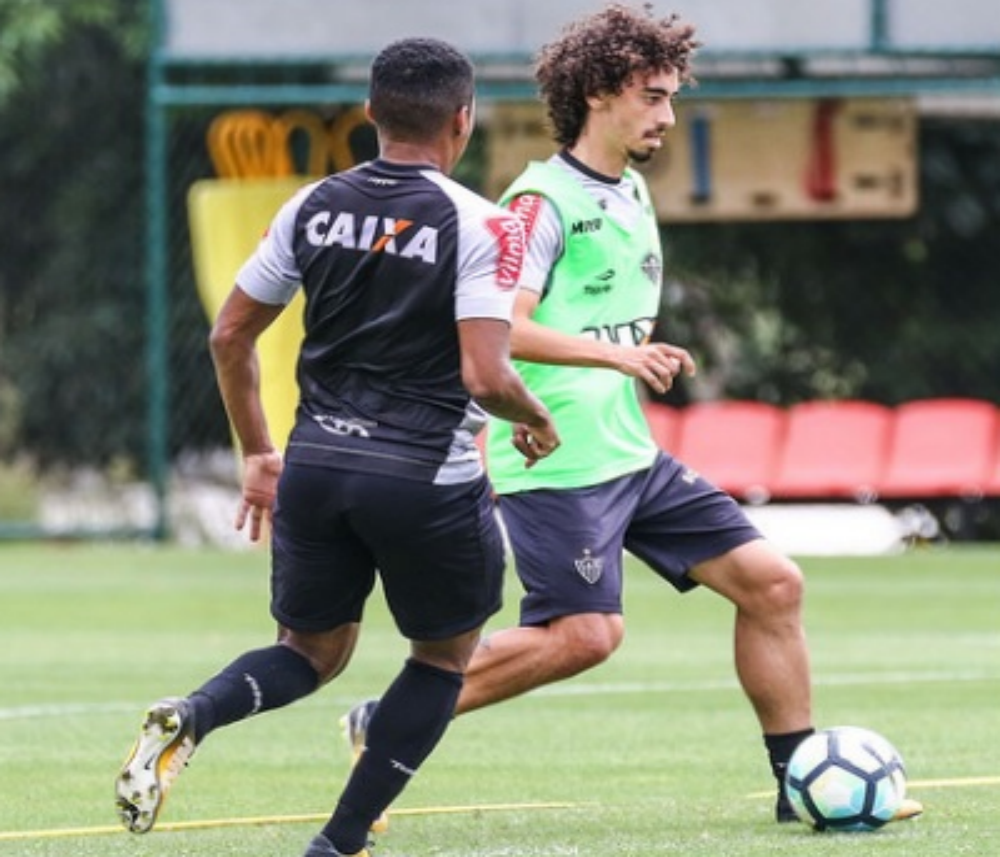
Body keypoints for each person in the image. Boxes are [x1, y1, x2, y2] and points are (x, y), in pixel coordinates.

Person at [343, 3, 923, 827]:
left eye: (671, 96)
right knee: (586, 635)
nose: (668, 115)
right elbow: (503, 325)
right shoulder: (540, 201)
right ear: (602, 93)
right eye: (654, 96)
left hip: (627, 450)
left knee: (772, 583)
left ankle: (804, 785)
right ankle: (383, 721)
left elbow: (604, 317)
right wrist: (610, 361)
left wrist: (632, 351)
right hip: (559, 458)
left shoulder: (634, 191)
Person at [113, 36, 559, 857]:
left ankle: (196, 712)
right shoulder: (482, 224)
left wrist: (257, 451)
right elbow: (486, 373)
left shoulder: (313, 204)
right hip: (424, 475)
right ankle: (339, 841)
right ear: (462, 121)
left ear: (369, 114)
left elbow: (229, 334)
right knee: (442, 659)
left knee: (312, 652)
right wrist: (534, 415)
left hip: (317, 464)